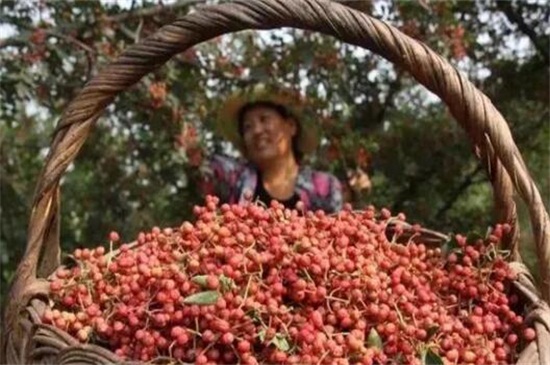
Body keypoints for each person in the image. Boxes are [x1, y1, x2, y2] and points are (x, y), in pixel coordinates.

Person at [198, 84, 344, 213]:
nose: (257, 131)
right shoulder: (234, 179)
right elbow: (204, 167)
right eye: (247, 127)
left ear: (291, 126)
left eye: (264, 119)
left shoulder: (326, 186)